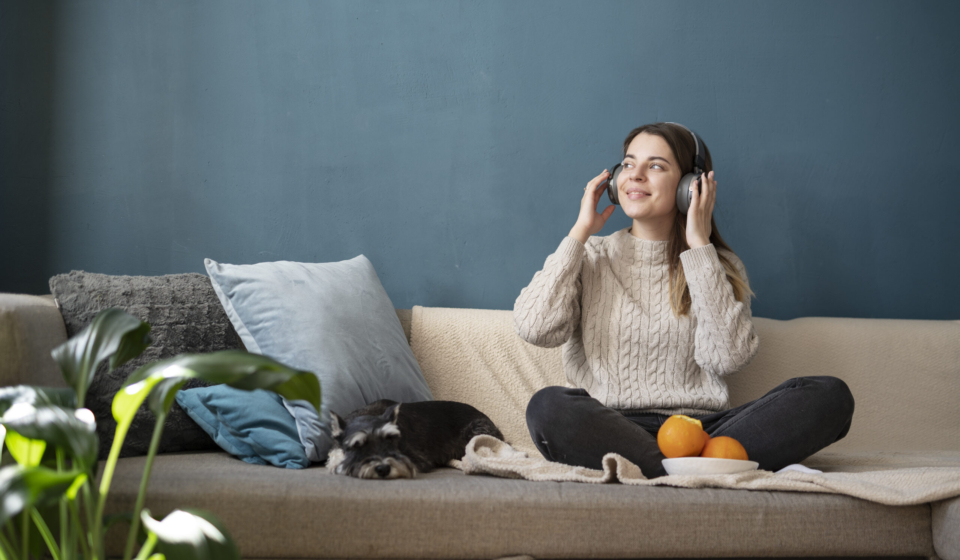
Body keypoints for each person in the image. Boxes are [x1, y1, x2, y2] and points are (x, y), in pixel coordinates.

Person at [514, 122, 854, 478]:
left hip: (703, 432)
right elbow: (535, 328)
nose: (636, 176)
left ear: (691, 187)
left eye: (656, 166)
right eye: (628, 164)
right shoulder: (591, 256)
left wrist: (699, 247)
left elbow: (727, 358)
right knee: (548, 408)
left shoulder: (716, 264)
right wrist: (580, 232)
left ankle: (663, 471)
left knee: (830, 396)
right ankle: (699, 473)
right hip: (612, 428)